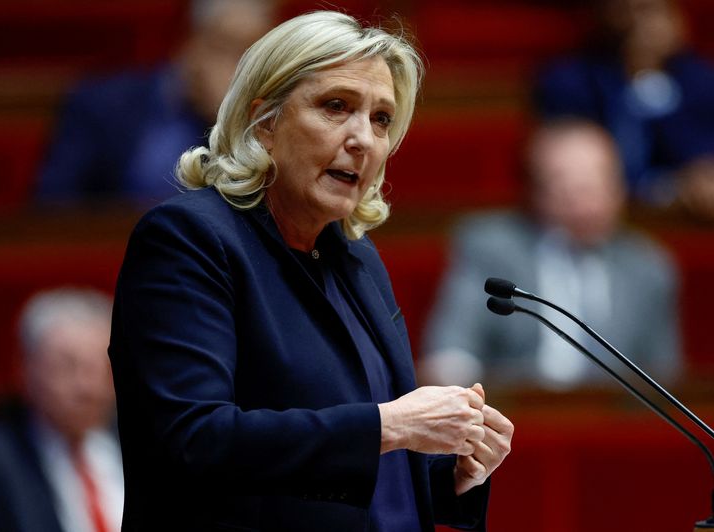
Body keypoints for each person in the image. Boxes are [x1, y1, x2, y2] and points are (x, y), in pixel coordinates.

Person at [108, 11, 513, 532]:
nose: (363, 138)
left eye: (382, 119)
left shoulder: (355, 258)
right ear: (265, 122)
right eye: (336, 106)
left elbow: (359, 476)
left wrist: (454, 473)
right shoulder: (190, 239)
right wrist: (390, 425)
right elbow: (193, 440)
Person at [421, 119, 681, 391]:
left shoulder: (648, 266)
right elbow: (451, 353)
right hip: (514, 414)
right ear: (535, 190)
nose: (583, 200)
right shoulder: (489, 248)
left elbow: (663, 375)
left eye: (595, 183)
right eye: (565, 184)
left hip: (612, 421)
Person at [35, 0, 275, 206]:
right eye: (229, 48)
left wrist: (231, 123)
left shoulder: (262, 117)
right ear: (191, 43)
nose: (243, 70)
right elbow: (52, 210)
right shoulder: (103, 104)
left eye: (255, 54)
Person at [534, 0, 714, 222]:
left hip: (680, 202)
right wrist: (635, 71)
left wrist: (653, 77)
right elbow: (596, 166)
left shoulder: (711, 83)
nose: (639, 23)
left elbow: (701, 158)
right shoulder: (569, 81)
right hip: (597, 208)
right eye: (627, 9)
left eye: (651, 9)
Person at [0, 288, 123, 532]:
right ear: (24, 369)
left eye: (101, 368)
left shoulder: (147, 443)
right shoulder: (2, 461)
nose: (88, 386)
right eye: (67, 366)